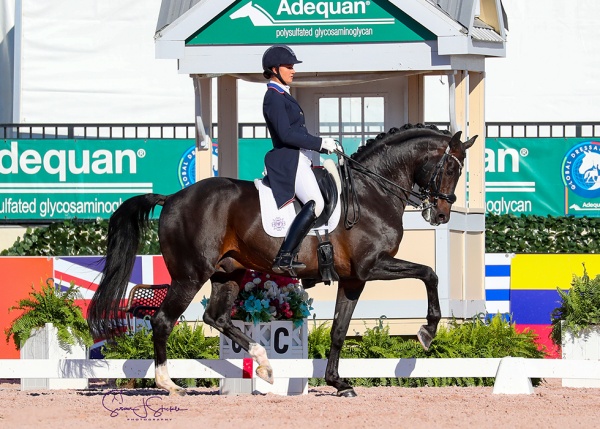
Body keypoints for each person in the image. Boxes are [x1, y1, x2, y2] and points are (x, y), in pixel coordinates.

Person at [261, 44, 339, 276]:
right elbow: (285, 134)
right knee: (316, 202)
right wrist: (319, 142)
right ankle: (285, 255)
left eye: (293, 66)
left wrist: (322, 146)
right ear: (274, 69)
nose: (293, 70)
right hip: (289, 159)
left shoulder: (283, 94)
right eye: (288, 66)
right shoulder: (273, 97)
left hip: (300, 158)